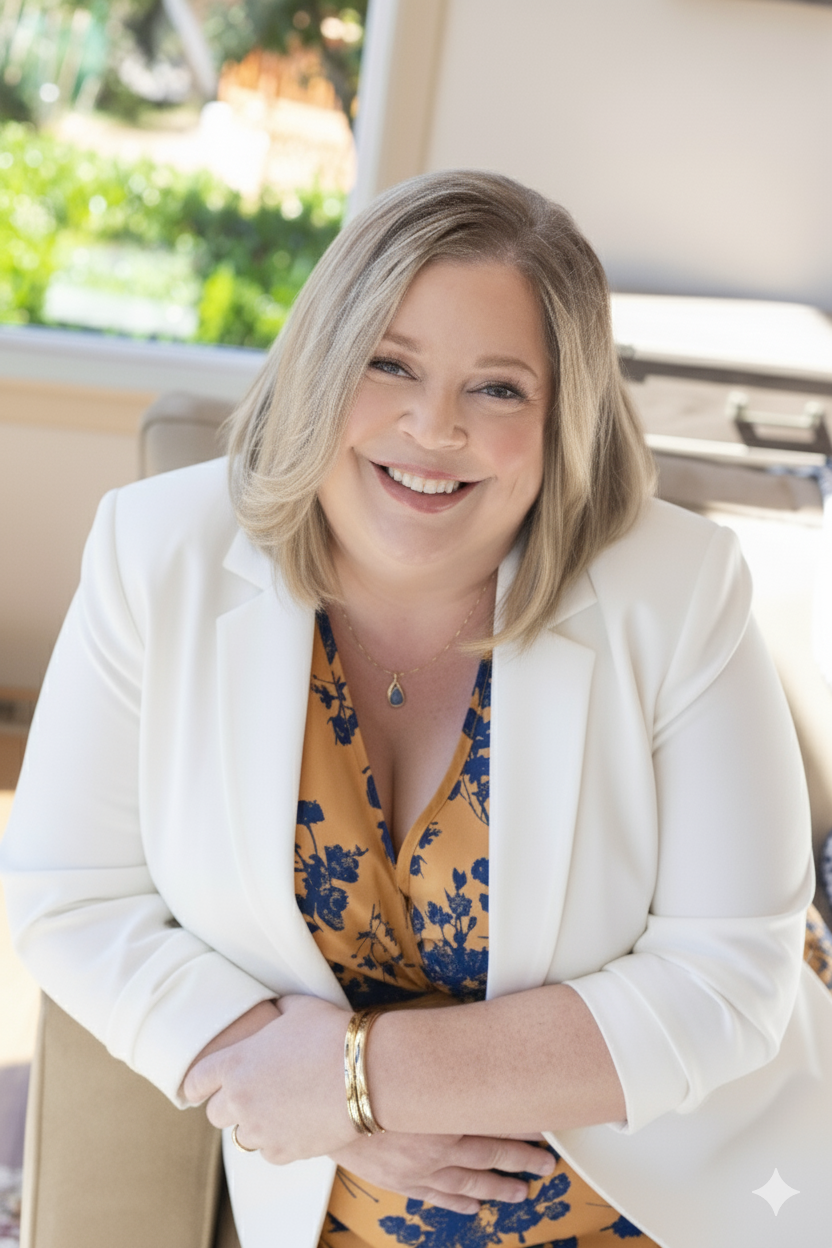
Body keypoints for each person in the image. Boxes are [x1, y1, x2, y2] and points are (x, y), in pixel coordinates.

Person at [2, 170, 832, 1248]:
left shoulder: (680, 589)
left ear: (562, 419)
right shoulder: (153, 552)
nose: (433, 427)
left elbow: (728, 984)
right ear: (320, 365)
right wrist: (282, 1081)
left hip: (670, 1201)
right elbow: (69, 894)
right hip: (340, 1210)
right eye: (388, 365)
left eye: (499, 390)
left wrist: (359, 1083)